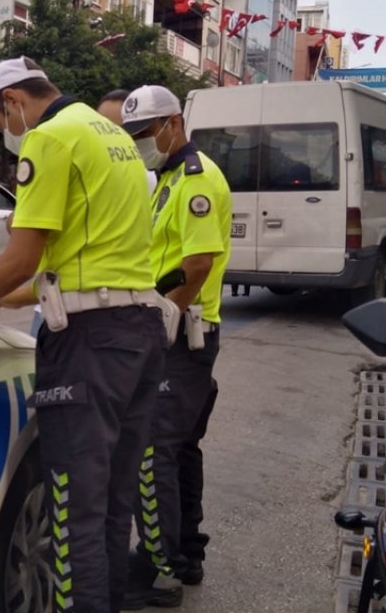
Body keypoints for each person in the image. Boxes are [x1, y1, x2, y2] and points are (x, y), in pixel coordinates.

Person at [0, 56, 166, 613]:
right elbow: (84, 259)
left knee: (73, 510)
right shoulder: (112, 137)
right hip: (139, 333)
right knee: (111, 507)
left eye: (2, 123)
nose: (6, 135)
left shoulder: (51, 139)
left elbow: (24, 254)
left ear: (13, 102)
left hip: (90, 345)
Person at [120, 85, 233, 609]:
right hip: (179, 327)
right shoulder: (164, 179)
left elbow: (198, 265)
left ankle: (158, 568)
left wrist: (164, 316)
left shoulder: (195, 180)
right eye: (134, 135)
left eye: (145, 133)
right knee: (181, 447)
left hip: (184, 332)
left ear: (172, 124)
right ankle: (186, 552)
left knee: (153, 449)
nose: (142, 142)